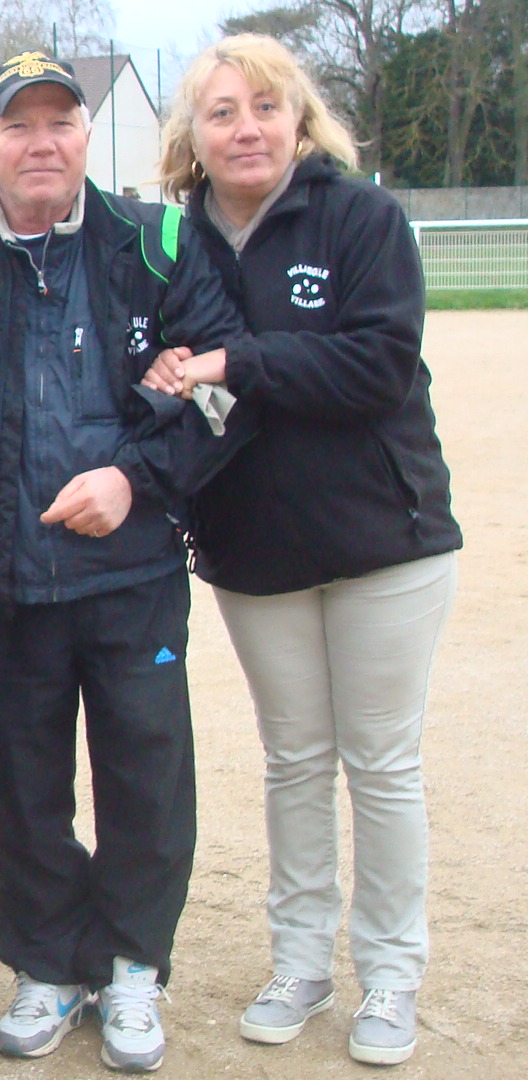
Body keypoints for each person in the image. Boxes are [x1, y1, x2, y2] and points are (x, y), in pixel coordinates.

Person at [0, 52, 249, 1072]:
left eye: (60, 123)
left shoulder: (160, 241)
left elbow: (225, 392)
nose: (40, 143)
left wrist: (136, 477)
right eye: (18, 126)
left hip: (134, 581)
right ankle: (46, 964)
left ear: (88, 138)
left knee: (147, 776)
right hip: (7, 588)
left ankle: (133, 964)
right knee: (25, 786)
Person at [140, 35, 461, 1067]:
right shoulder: (173, 241)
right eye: (223, 112)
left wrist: (237, 359)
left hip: (385, 540)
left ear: (299, 120)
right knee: (294, 761)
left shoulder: (361, 217)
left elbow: (376, 363)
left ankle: (391, 978)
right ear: (193, 134)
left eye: (266, 108)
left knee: (382, 763)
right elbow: (166, 376)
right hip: (253, 545)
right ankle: (301, 962)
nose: (246, 128)